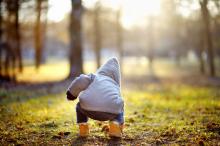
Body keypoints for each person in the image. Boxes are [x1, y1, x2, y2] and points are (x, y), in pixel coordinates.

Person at [66, 58, 124, 138]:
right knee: (120, 107)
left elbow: (81, 80)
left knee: (79, 106)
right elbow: (116, 98)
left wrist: (72, 94)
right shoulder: (115, 84)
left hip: (87, 109)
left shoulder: (94, 77)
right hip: (111, 112)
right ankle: (115, 125)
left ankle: (83, 128)